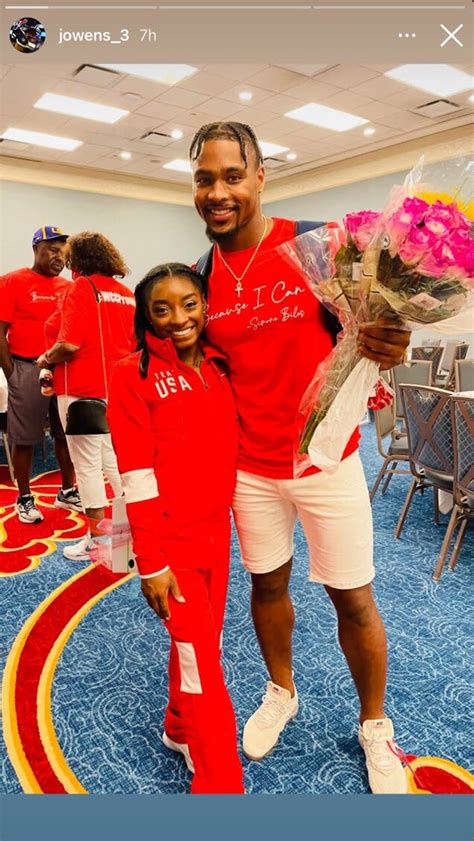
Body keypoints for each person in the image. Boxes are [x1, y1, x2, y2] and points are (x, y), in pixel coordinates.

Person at [188, 121, 411, 794]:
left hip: (327, 460)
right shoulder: (201, 275)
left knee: (354, 599)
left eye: (232, 175)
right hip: (250, 469)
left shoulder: (319, 245)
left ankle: (376, 724)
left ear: (261, 176)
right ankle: (281, 690)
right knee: (267, 587)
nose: (218, 192)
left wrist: (392, 336)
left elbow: (380, 323)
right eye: (204, 178)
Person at [107, 263, 244, 794]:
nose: (178, 318)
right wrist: (154, 562)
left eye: (189, 303)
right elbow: (136, 476)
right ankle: (218, 785)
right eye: (161, 309)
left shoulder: (219, 364)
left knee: (201, 644)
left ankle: (177, 727)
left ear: (205, 305)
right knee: (203, 667)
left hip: (217, 535)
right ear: (145, 315)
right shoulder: (131, 374)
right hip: (171, 545)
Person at [36, 232, 135, 561]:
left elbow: (70, 345)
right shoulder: (125, 293)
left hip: (82, 391)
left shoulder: (82, 287)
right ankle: (127, 535)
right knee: (112, 463)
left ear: (79, 258)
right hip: (117, 390)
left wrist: (46, 359)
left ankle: (97, 540)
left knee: (88, 467)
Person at [0, 226, 81, 524]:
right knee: (25, 438)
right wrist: (12, 373)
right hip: (26, 367)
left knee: (66, 435)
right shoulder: (12, 281)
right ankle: (24, 497)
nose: (59, 256)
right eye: (52, 249)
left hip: (62, 370)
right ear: (35, 248)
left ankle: (67, 491)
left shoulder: (70, 287)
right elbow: (0, 330)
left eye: (63, 250)